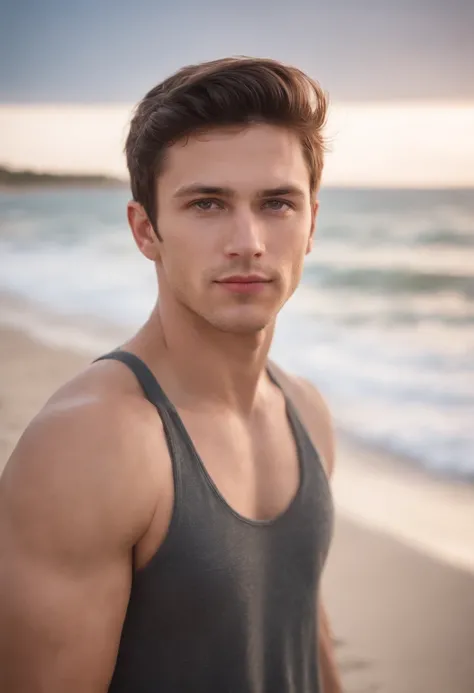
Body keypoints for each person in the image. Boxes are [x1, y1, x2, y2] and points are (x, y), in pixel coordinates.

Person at [0, 56, 342, 692]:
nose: (248, 241)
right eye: (207, 204)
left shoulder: (307, 412)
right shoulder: (91, 443)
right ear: (145, 230)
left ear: (312, 223)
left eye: (276, 203)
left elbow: (305, 640)